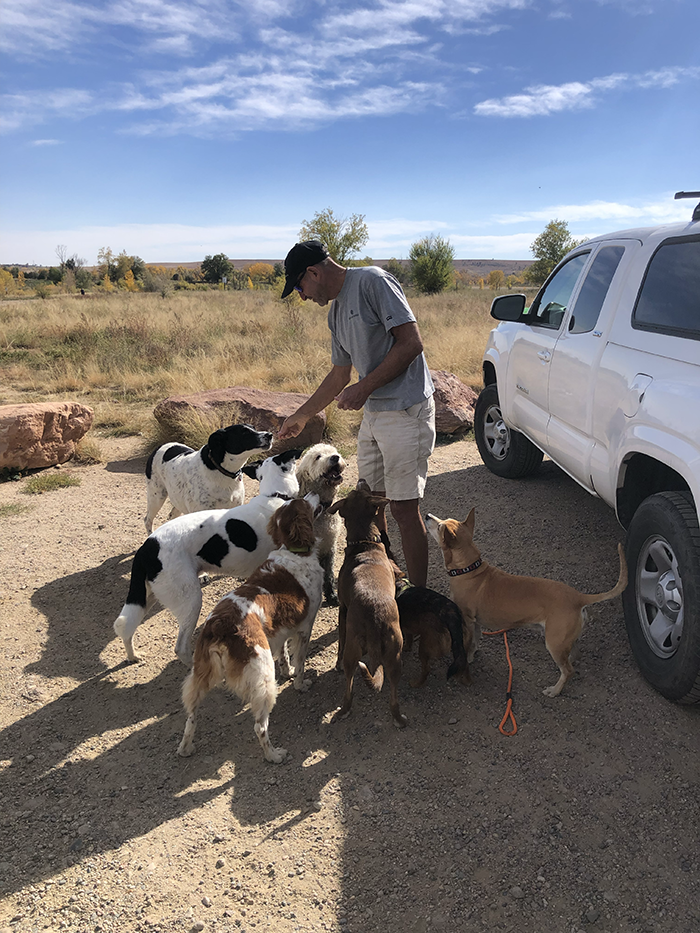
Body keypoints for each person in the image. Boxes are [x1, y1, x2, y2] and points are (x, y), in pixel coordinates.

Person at [278, 239, 436, 587]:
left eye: (300, 286)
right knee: (369, 502)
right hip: (376, 415)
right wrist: (302, 415)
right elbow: (339, 374)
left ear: (314, 272)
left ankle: (419, 598)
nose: (301, 296)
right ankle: (390, 579)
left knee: (404, 510)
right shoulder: (336, 313)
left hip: (405, 410)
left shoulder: (373, 282)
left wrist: (364, 389)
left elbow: (411, 342)